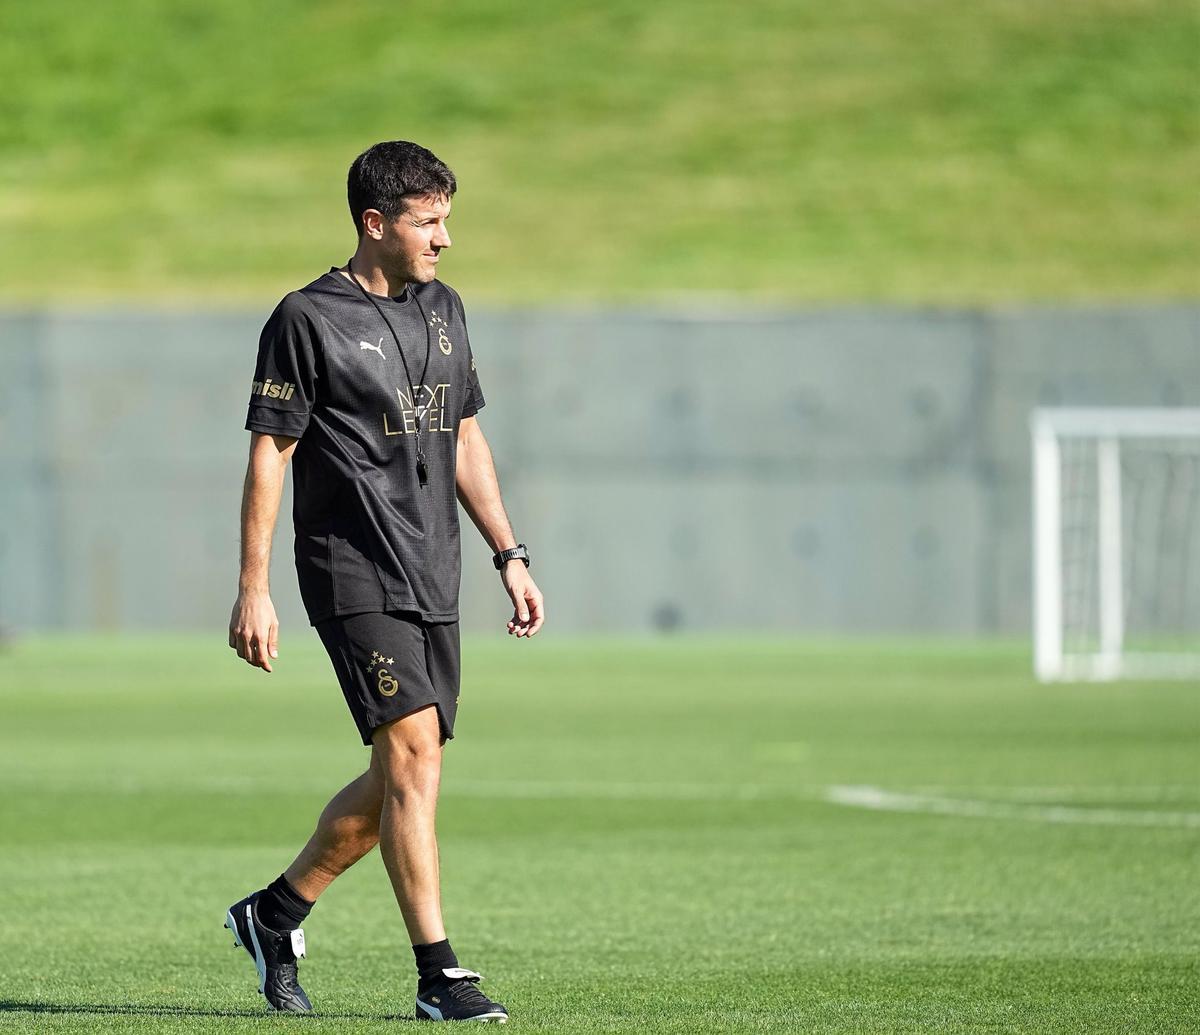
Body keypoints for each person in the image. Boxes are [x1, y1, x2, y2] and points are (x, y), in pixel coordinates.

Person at [224, 140, 543, 1024]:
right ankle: (439, 975)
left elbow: (466, 437)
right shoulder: (305, 317)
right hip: (352, 568)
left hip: (434, 568)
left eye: (447, 218)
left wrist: (509, 554)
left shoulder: (446, 310)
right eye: (428, 221)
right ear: (376, 223)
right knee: (410, 755)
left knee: (410, 768)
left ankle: (276, 910)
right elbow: (269, 455)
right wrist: (255, 586)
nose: (445, 238)